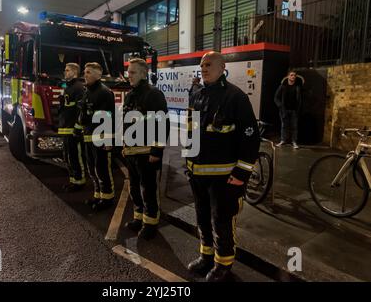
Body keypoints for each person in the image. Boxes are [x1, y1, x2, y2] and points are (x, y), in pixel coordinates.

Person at [186, 51, 260, 282]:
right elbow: (193, 132)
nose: (203, 68)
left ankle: (223, 264)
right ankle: (205, 256)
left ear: (222, 67)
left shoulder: (235, 97)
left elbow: (250, 139)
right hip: (198, 175)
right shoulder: (197, 94)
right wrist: (188, 163)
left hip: (225, 179)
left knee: (222, 221)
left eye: (208, 64)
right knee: (202, 217)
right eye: (201, 65)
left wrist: (240, 174)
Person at [122, 58, 169, 240]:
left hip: (147, 154)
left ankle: (150, 224)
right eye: (128, 72)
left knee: (148, 190)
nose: (129, 75)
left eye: (133, 72)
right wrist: (124, 145)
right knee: (134, 188)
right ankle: (138, 218)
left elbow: (162, 124)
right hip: (132, 153)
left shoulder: (153, 94)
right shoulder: (130, 95)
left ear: (143, 73)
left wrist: (157, 151)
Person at [75, 62, 115, 211]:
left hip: (100, 137)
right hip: (88, 136)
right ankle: (98, 195)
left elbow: (109, 117)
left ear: (99, 74)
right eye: (85, 72)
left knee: (102, 169)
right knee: (92, 169)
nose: (85, 75)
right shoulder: (87, 91)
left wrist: (108, 139)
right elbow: (83, 113)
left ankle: (107, 198)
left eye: (89, 72)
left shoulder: (104, 92)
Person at [58, 63, 86, 191]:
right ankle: (73, 180)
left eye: (67, 70)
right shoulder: (68, 87)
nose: (65, 72)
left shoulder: (78, 88)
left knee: (75, 156)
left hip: (73, 129)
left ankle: (79, 182)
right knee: (68, 156)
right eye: (65, 70)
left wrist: (77, 127)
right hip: (66, 127)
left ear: (75, 72)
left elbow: (81, 110)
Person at [274, 70, 303, 149]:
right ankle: (283, 140)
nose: (293, 77)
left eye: (294, 75)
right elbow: (276, 98)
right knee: (284, 126)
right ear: (288, 76)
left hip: (294, 110)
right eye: (291, 75)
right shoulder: (283, 86)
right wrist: (280, 106)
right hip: (284, 110)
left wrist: (298, 108)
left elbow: (300, 99)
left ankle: (294, 142)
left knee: (294, 126)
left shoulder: (298, 87)